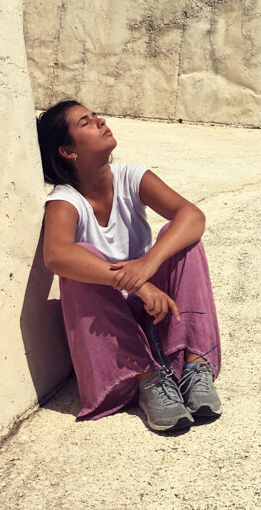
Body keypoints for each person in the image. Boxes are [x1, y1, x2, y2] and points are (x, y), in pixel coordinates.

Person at [36, 100, 222, 432]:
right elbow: (56, 255)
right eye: (86, 122)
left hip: (157, 312)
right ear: (68, 151)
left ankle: (195, 367)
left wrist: (147, 265)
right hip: (110, 332)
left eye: (95, 116)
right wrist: (134, 282)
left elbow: (193, 216)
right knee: (78, 256)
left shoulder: (131, 177)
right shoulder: (65, 199)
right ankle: (149, 380)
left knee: (181, 237)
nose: (100, 121)